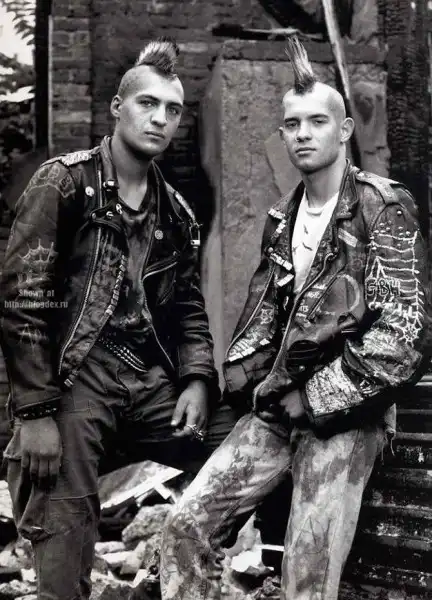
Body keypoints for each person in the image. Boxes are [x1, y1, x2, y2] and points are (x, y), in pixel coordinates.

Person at [160, 36, 430, 600]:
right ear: (282, 135)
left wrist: (313, 398)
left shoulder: (382, 206)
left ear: (345, 130)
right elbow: (266, 319)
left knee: (307, 572)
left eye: (316, 122)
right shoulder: (281, 219)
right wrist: (254, 386)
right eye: (292, 124)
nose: (303, 134)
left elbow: (403, 337)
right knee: (185, 528)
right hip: (279, 408)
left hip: (349, 414)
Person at [0, 38, 253, 600]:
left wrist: (196, 379)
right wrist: (35, 413)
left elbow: (188, 308)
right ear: (118, 107)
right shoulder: (65, 184)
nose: (160, 118)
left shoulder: (176, 211)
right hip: (77, 376)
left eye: (172, 110)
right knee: (64, 531)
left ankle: (178, 569)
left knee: (249, 438)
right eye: (148, 103)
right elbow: (24, 302)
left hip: (147, 378)